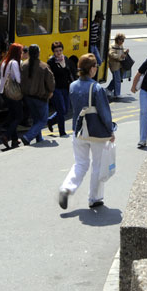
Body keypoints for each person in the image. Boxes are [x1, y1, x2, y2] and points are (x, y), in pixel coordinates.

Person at [58, 54, 114, 210]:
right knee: (98, 165)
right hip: (96, 132)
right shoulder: (96, 88)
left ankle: (66, 188)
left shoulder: (73, 86)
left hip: (79, 130)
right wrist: (111, 130)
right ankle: (94, 198)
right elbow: (104, 112)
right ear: (91, 69)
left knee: (80, 163)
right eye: (95, 66)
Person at [19, 44, 55, 145]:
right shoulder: (43, 66)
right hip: (40, 97)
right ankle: (28, 136)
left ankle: (39, 138)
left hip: (27, 96)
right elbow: (51, 82)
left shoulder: (23, 65)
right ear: (39, 53)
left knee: (36, 119)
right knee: (43, 120)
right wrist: (51, 91)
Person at [0, 43, 24, 149]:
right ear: (17, 53)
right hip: (11, 92)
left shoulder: (5, 61)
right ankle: (6, 135)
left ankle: (14, 140)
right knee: (19, 116)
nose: (22, 54)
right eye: (21, 52)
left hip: (3, 90)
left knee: (13, 115)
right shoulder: (14, 63)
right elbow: (18, 79)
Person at [47, 41, 75, 136]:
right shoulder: (51, 62)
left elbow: (70, 72)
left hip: (65, 88)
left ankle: (50, 121)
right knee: (61, 110)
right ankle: (62, 132)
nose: (58, 53)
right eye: (56, 51)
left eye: (60, 50)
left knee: (66, 110)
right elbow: (49, 77)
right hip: (56, 89)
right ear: (53, 52)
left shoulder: (66, 59)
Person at [107, 33, 128, 99]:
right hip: (114, 65)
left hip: (119, 65)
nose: (122, 42)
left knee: (116, 78)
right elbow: (111, 54)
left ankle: (108, 89)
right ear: (117, 39)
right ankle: (117, 94)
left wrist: (125, 52)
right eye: (121, 40)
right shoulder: (113, 46)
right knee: (118, 79)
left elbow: (121, 52)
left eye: (123, 40)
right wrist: (120, 56)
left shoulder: (120, 45)